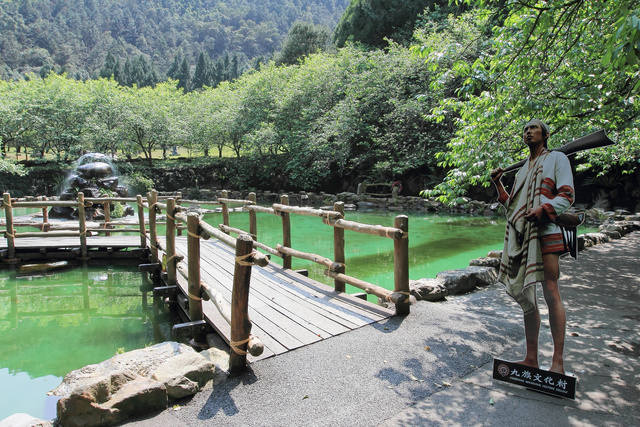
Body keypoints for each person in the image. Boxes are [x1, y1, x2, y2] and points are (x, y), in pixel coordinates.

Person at [490, 119, 575, 374]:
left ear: (545, 134)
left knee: (551, 290)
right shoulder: (522, 169)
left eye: (533, 128)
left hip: (546, 231)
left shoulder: (557, 159)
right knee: (529, 296)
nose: (528, 131)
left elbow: (567, 195)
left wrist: (544, 209)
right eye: (525, 129)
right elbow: (512, 206)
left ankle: (557, 363)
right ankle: (531, 359)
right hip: (523, 235)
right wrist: (498, 183)